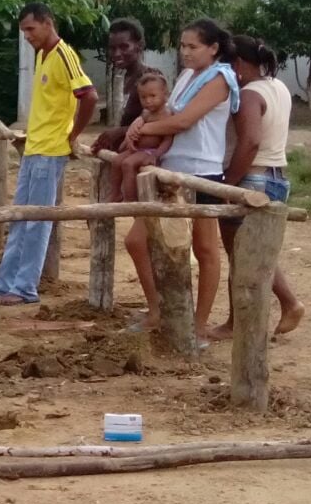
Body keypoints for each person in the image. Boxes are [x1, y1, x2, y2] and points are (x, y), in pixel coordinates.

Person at [121, 18, 240, 341]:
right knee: (137, 240)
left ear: (213, 48)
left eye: (193, 46)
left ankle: (198, 325)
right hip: (172, 167)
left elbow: (184, 121)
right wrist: (140, 121)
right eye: (183, 46)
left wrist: (143, 129)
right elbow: (167, 113)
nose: (185, 52)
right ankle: (158, 310)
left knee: (205, 249)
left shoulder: (221, 78)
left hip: (202, 170)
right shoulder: (188, 75)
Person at [0, 2, 99, 306]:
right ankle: (4, 282)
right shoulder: (42, 55)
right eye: (24, 31)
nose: (27, 36)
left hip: (51, 150)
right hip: (35, 147)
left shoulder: (63, 54)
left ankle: (25, 287)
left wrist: (72, 136)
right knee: (20, 217)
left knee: (37, 220)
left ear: (48, 23)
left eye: (31, 29)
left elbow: (89, 96)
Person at [210, 35, 305, 340]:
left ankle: (241, 321)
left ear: (237, 63)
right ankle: (283, 305)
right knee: (257, 251)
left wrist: (228, 184)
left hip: (251, 178)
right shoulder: (278, 87)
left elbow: (250, 142)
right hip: (276, 177)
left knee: (241, 255)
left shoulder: (249, 95)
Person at [90, 18, 160, 155]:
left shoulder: (150, 78)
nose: (116, 53)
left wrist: (118, 132)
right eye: (112, 48)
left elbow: (159, 122)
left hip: (141, 155)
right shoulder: (121, 78)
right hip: (121, 154)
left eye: (124, 47)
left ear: (139, 46)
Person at [110, 73, 173, 202]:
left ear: (165, 95)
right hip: (137, 149)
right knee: (117, 161)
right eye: (143, 97)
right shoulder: (146, 113)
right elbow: (134, 129)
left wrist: (155, 155)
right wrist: (126, 142)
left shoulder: (166, 115)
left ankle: (131, 200)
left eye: (153, 96)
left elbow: (168, 140)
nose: (148, 101)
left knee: (128, 164)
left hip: (150, 151)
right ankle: (115, 193)